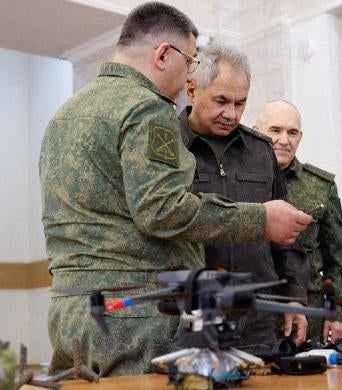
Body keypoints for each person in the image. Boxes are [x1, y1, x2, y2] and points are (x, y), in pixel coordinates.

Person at [40, 2, 311, 377]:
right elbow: (162, 209)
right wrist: (260, 217)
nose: (190, 75)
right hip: (134, 317)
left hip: (71, 310)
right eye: (190, 62)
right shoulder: (146, 108)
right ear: (164, 54)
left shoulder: (64, 115)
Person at [179, 44, 309, 345]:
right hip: (194, 314)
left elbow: (286, 236)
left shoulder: (260, 151)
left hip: (257, 314)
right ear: (192, 89)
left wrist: (294, 298)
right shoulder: (169, 149)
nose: (231, 114)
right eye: (221, 101)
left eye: (240, 103)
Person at [254, 100, 342, 343]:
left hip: (308, 315)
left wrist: (336, 313)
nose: (284, 140)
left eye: (292, 132)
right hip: (254, 316)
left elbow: (337, 257)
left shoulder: (319, 185)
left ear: (300, 137)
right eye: (275, 130)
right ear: (256, 131)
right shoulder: (241, 182)